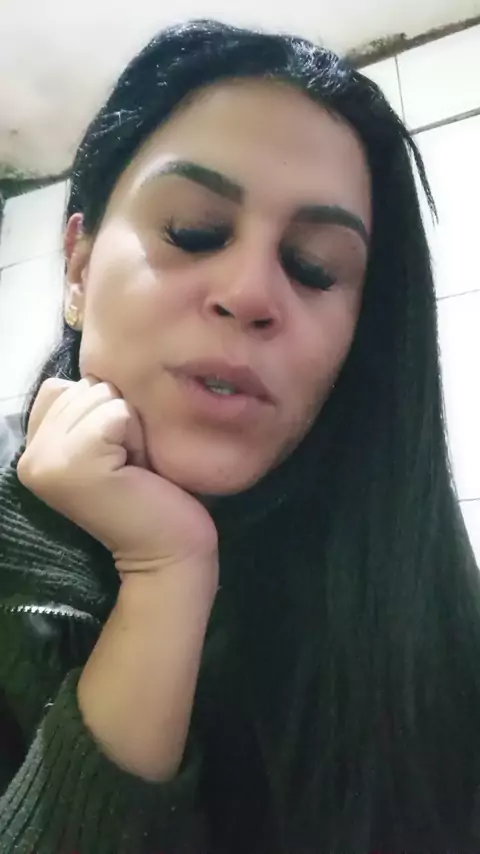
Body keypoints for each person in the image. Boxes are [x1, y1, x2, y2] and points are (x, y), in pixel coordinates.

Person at [0, 18, 478, 854]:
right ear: (78, 265)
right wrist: (165, 580)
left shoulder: (406, 583)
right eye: (193, 231)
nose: (252, 291)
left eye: (315, 268)